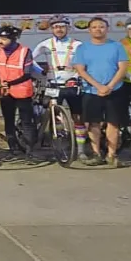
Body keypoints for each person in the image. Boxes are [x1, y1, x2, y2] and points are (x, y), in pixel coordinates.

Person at [73, 17, 130, 168]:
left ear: (107, 29)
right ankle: (96, 153)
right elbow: (81, 70)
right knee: (93, 123)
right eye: (94, 27)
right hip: (91, 91)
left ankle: (111, 155)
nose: (98, 29)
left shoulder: (117, 46)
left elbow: (123, 68)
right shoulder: (82, 48)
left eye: (101, 26)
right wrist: (98, 86)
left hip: (115, 90)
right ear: (89, 30)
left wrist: (110, 86)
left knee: (113, 123)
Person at [33, 15, 87, 156]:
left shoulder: (78, 44)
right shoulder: (45, 44)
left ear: (68, 28)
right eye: (56, 27)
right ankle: (57, 144)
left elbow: (85, 63)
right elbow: (29, 59)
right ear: (51, 29)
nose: (59, 29)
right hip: (53, 85)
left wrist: (77, 76)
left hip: (72, 84)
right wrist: (41, 71)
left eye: (62, 27)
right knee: (54, 115)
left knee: (78, 117)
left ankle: (81, 150)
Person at [0, 25, 38, 162]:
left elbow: (27, 74)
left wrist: (10, 83)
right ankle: (12, 150)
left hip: (22, 91)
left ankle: (30, 153)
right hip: (5, 92)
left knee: (27, 122)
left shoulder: (25, 51)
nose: (1, 41)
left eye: (4, 38)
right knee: (8, 121)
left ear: (13, 39)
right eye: (0, 37)